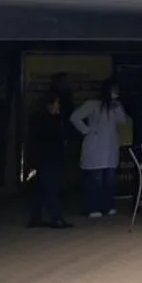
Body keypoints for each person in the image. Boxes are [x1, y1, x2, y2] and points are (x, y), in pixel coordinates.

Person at [70, 79, 129, 218]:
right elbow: (74, 117)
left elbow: (123, 121)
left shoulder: (115, 106)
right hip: (95, 145)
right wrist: (87, 130)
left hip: (110, 147)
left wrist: (118, 107)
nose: (116, 92)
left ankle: (107, 206)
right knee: (95, 179)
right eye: (114, 90)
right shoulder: (92, 104)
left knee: (109, 179)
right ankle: (91, 207)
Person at [27, 93, 72, 228]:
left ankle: (36, 217)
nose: (59, 106)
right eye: (56, 103)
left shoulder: (38, 119)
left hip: (44, 158)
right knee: (52, 187)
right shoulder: (50, 121)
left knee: (42, 188)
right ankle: (56, 218)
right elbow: (59, 136)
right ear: (49, 106)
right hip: (50, 158)